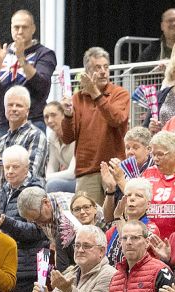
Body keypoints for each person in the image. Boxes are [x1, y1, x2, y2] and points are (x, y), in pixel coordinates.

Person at [59, 47, 128, 203]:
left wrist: (96, 94)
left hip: (115, 169)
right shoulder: (77, 99)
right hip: (87, 171)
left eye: (106, 67)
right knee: (88, 221)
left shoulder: (120, 93)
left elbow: (116, 119)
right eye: (98, 68)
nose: (103, 71)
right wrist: (68, 115)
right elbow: (68, 138)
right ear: (87, 73)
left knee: (117, 218)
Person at [0, 144, 48, 292]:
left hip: (30, 269)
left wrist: (5, 223)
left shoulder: (36, 191)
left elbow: (37, 230)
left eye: (15, 167)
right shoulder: (3, 192)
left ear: (27, 168)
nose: (9, 171)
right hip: (9, 267)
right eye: (6, 167)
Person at [0, 9, 57, 136]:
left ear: (33, 29)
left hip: (33, 120)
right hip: (4, 122)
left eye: (24, 27)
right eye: (16, 27)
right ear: (11, 28)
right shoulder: (3, 52)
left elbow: (41, 84)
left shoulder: (45, 54)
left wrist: (21, 57)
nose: (19, 31)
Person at [0, 86, 48, 180]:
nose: (14, 109)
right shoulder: (1, 141)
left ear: (27, 111)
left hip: (26, 193)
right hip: (2, 194)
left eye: (19, 105)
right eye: (10, 105)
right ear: (5, 109)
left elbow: (30, 175)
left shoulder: (36, 136)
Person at [138, 131, 175, 238]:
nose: (155, 159)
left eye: (160, 154)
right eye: (153, 154)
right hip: (150, 239)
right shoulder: (148, 173)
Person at [43, 101, 76, 193]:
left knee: (53, 185)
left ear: (63, 115)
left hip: (83, 180)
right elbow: (52, 167)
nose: (49, 120)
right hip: (68, 179)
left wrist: (47, 178)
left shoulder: (76, 135)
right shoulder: (52, 137)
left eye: (53, 115)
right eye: (46, 117)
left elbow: (72, 173)